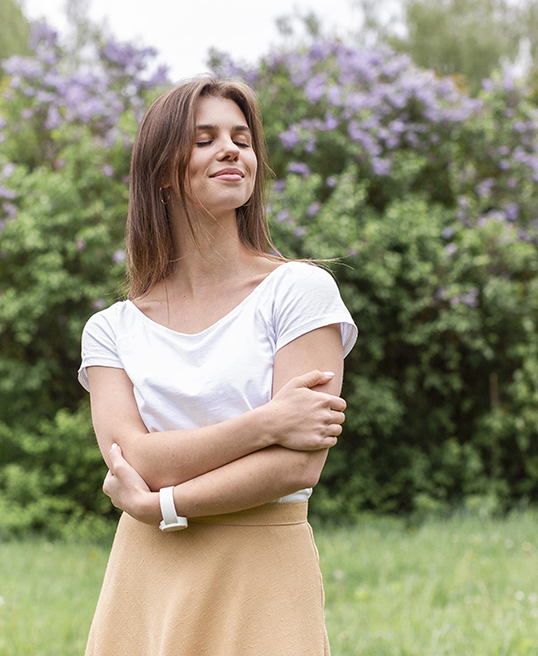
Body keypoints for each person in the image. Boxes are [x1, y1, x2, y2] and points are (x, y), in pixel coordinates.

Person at [78, 76, 357, 656]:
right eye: (204, 139)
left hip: (263, 572)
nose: (231, 150)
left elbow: (295, 468)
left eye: (241, 138)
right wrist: (266, 424)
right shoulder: (111, 330)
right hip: (146, 574)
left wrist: (166, 505)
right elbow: (135, 460)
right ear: (161, 171)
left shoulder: (299, 292)